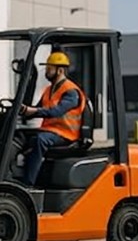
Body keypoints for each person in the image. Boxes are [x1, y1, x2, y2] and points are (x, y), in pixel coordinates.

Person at [18, 51, 87, 187]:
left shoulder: (71, 92)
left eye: (49, 68)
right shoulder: (49, 90)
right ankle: (14, 173)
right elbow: (37, 109)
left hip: (66, 134)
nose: (46, 71)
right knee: (18, 135)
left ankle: (28, 183)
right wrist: (22, 110)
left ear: (60, 70)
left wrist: (33, 111)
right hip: (50, 131)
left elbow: (56, 111)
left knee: (39, 141)